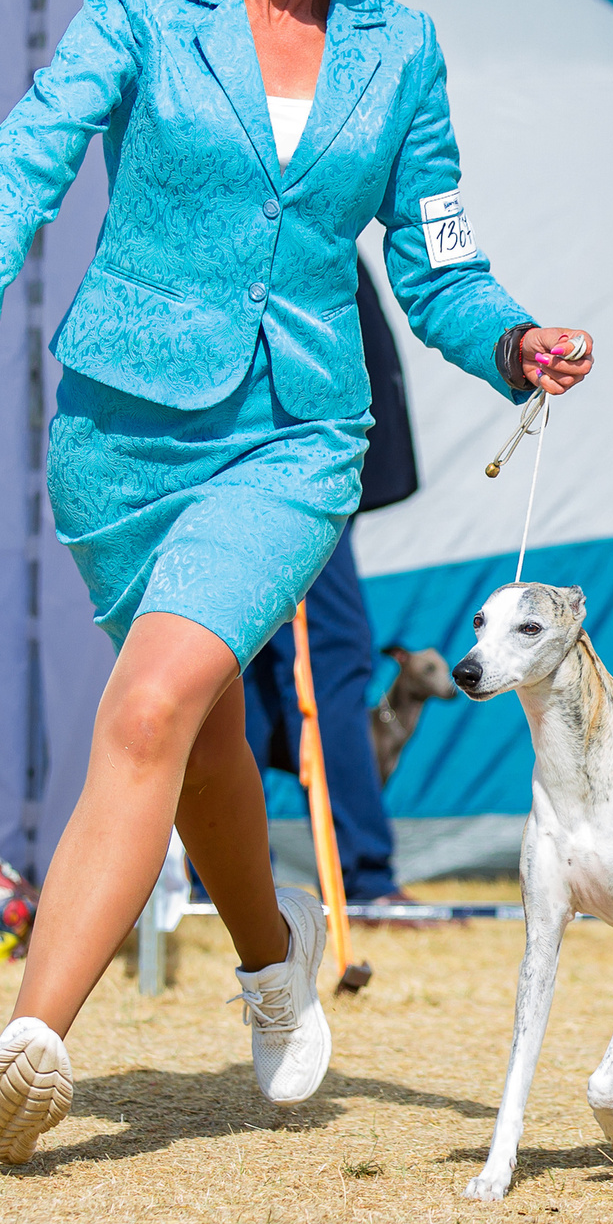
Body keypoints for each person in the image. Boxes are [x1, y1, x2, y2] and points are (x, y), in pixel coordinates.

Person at [0, 0, 593, 1163]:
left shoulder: (401, 52)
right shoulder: (145, 2)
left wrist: (511, 336)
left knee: (152, 702)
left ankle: (28, 1051)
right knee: (200, 720)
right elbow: (28, 151)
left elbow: (441, 265)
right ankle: (274, 968)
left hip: (293, 432)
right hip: (120, 426)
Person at [241, 260, 418, 905]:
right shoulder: (279, 187)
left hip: (295, 460)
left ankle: (222, 871)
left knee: (255, 678)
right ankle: (361, 874)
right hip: (292, 465)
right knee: (332, 657)